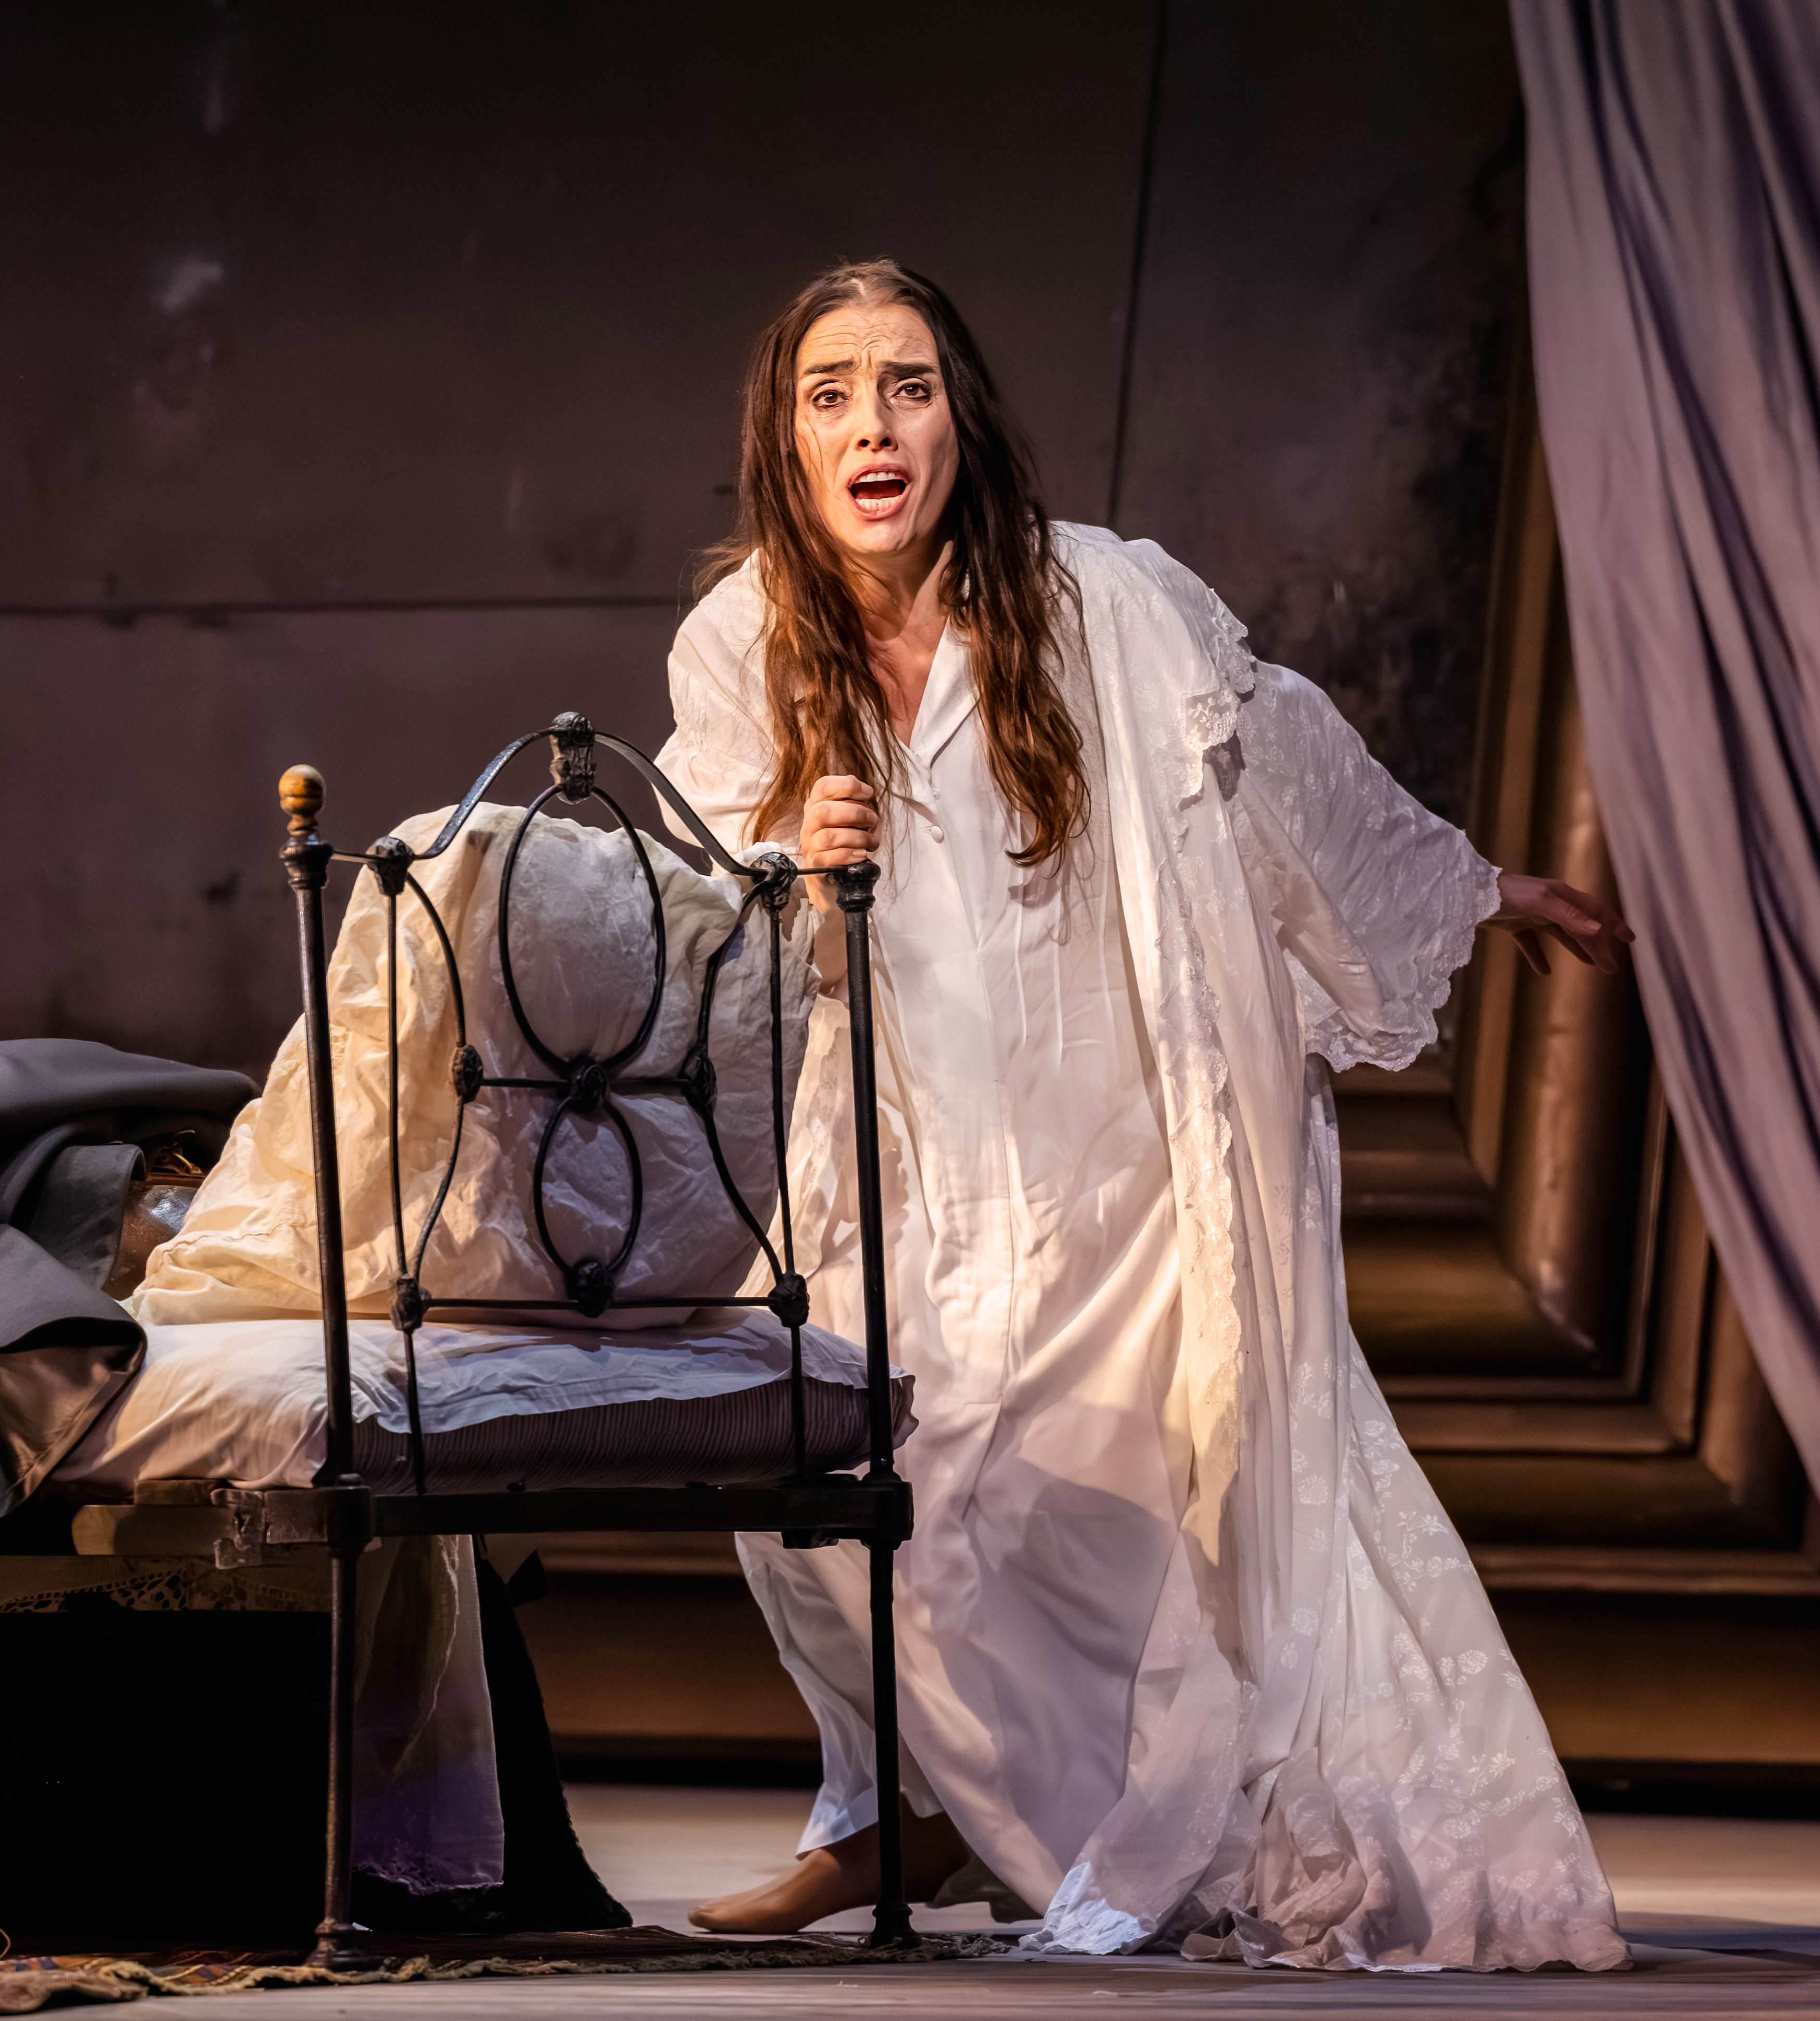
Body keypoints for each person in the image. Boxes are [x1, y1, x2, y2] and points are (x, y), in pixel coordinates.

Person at [655, 260, 1633, 1971]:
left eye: (907, 384)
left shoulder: (1094, 598)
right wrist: (782, 860)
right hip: (879, 1148)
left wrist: (1473, 885)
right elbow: (693, 915)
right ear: (787, 442)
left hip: (1103, 1159)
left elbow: (1273, 767)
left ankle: (1013, 1816)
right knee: (804, 1478)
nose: (872, 422)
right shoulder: (741, 641)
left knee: (1055, 1495)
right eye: (831, 394)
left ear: (960, 418)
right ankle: (891, 1800)